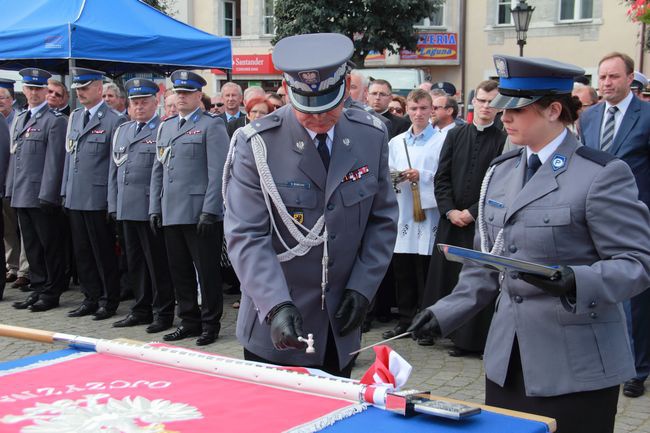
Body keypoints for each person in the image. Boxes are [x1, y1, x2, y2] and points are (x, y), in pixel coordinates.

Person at [408, 54, 650, 433]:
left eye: (517, 110)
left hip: (576, 365)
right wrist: (444, 314)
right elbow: (487, 262)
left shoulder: (601, 175)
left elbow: (637, 263)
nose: (504, 117)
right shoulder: (501, 172)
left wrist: (577, 279)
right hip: (509, 360)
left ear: (554, 110)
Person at [224, 32, 398, 377]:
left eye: (328, 107)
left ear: (346, 87)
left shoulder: (371, 135)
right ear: (286, 91)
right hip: (274, 323)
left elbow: (382, 221)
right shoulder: (255, 145)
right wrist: (275, 305)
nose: (317, 119)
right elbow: (246, 235)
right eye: (306, 109)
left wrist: (363, 288)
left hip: (339, 324)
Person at [579, 52, 650, 399]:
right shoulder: (589, 117)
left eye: (613, 77)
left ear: (630, 78)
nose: (606, 83)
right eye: (602, 77)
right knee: (599, 287)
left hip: (636, 215)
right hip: (593, 217)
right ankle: (602, 357)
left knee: (634, 296)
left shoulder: (647, 115)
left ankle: (637, 370)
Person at [422, 79, 506, 352]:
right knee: (443, 275)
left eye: (492, 102)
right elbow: (441, 177)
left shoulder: (503, 140)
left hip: (479, 222)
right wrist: (448, 209)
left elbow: (499, 185)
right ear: (473, 102)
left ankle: (467, 339)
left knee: (472, 277)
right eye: (481, 100)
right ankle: (431, 327)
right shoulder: (455, 135)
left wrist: (470, 213)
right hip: (450, 220)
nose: (485, 107)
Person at [149, 70, 229, 346]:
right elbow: (158, 170)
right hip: (172, 210)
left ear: (198, 96)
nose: (181, 97)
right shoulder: (167, 126)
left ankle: (210, 323)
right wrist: (154, 207)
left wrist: (211, 209)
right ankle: (189, 320)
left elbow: (218, 171)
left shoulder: (212, 125)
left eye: (186, 93)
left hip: (200, 212)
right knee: (179, 270)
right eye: (177, 93)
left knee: (206, 272)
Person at [108, 78, 175, 334]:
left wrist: (155, 208)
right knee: (134, 263)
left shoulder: (163, 128)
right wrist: (113, 204)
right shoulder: (123, 131)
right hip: (127, 207)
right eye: (135, 102)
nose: (138, 107)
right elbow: (114, 171)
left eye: (144, 102)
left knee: (156, 265)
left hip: (150, 209)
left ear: (155, 102)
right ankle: (140, 308)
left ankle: (163, 312)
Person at [62, 68, 127, 320]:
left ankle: (108, 300)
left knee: (103, 252)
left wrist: (112, 201)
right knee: (82, 252)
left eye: (85, 87)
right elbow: (70, 158)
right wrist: (65, 191)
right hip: (77, 195)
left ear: (99, 88)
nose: (80, 92)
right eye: (77, 88)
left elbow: (114, 165)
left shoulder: (113, 120)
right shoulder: (75, 117)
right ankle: (89, 297)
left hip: (98, 198)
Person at [382, 89, 443, 340]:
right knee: (403, 269)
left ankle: (426, 323)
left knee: (425, 270)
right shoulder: (397, 142)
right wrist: (398, 177)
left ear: (432, 111)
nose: (418, 114)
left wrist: (423, 176)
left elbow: (444, 176)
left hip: (427, 212)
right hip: (404, 209)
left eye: (423, 109)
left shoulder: (442, 140)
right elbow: (386, 173)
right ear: (407, 109)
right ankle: (406, 320)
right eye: (414, 109)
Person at [6, 68, 67, 312]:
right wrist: (11, 189)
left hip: (41, 196)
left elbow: (54, 161)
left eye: (38, 89)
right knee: (31, 246)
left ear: (45, 91)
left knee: (48, 246)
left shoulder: (53, 120)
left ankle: (51, 291)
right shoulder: (21, 119)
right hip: (22, 193)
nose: (33, 93)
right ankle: (38, 287)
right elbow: (15, 157)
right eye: (29, 88)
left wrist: (48, 194)